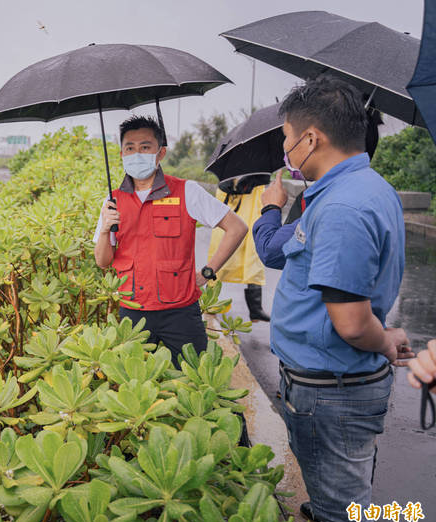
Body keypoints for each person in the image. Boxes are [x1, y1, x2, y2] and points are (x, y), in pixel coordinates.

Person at [269, 76, 412, 522]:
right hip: (334, 388)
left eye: (287, 138)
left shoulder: (343, 208)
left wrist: (385, 338)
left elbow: (351, 323)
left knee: (347, 520)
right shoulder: (365, 188)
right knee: (347, 496)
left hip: (330, 394)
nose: (286, 150)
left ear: (312, 138)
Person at [93, 115, 247, 366]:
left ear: (160, 152)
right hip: (132, 311)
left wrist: (208, 272)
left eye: (145, 147)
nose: (136, 153)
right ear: (121, 154)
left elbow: (237, 228)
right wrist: (104, 229)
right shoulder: (112, 200)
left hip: (181, 312)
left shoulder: (186, 191)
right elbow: (102, 261)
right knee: (134, 386)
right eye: (129, 148)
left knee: (195, 380)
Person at [254, 109, 383, 269]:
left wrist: (271, 207)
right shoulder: (378, 191)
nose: (285, 146)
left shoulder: (333, 206)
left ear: (311, 140)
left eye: (287, 135)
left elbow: (272, 252)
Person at [207, 174, 271, 321]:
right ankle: (209, 304)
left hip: (252, 197)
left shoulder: (257, 163)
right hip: (228, 199)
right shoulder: (228, 162)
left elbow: (263, 178)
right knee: (220, 249)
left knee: (252, 253)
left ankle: (255, 309)